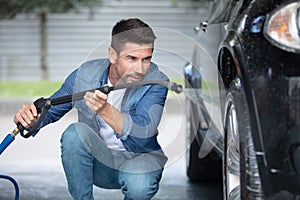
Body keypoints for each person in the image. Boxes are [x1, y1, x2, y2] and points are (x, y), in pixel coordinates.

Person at [14, 18, 169, 200]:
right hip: (100, 164)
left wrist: (105, 110)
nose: (140, 69)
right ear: (113, 55)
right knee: (74, 134)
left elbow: (141, 136)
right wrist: (28, 119)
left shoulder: (157, 82)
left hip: (138, 161)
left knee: (139, 185)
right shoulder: (85, 74)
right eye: (131, 58)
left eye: (146, 59)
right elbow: (50, 110)